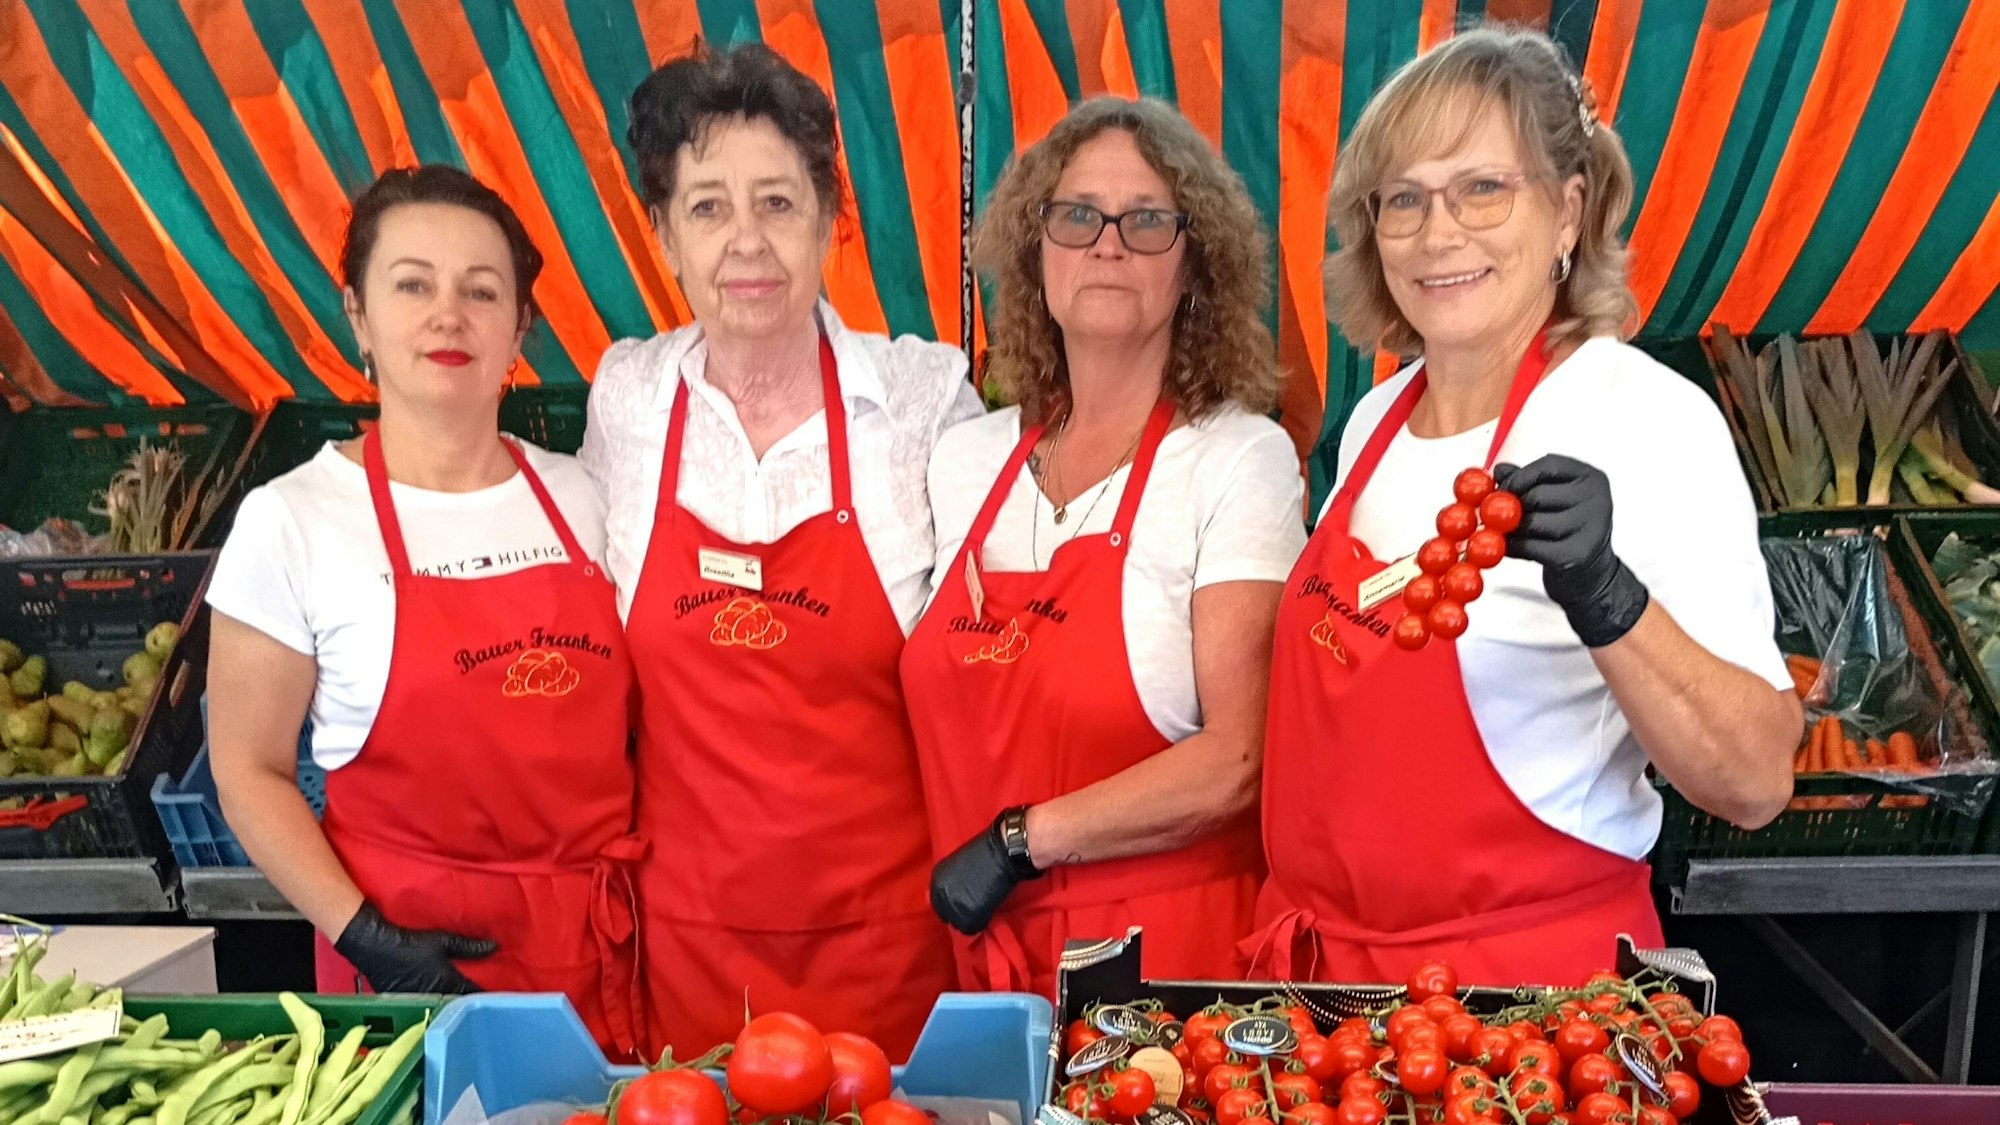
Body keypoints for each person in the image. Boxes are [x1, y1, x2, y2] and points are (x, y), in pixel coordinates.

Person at [1244, 27, 1801, 986]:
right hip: (1325, 994)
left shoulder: (1647, 420)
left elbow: (1753, 779)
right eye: (1404, 200)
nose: (1438, 232)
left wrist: (1607, 595)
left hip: (1530, 1010)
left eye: (1482, 188)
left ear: (1567, 211)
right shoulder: (1378, 414)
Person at [581, 43, 977, 1059]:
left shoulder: (922, 400)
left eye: (778, 202)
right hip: (689, 949)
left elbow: (988, 668)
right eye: (707, 207)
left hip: (889, 944)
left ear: (830, 222)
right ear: (663, 234)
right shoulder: (627, 401)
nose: (745, 242)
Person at [208, 166, 643, 1056]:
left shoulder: (589, 495)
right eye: (412, 285)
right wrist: (365, 936)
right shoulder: (293, 518)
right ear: (359, 315)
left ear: (520, 325)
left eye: (481, 291)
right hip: (404, 977)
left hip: (597, 956)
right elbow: (247, 770)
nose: (449, 314)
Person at [903, 97, 1306, 996]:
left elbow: (1240, 759)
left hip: (1165, 967)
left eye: (1148, 220)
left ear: (1195, 267)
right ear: (1033, 256)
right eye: (1077, 215)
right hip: (984, 960)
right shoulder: (965, 461)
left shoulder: (1238, 456)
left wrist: (1020, 840)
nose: (1108, 243)